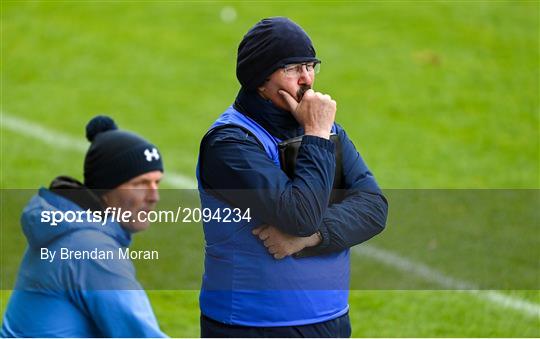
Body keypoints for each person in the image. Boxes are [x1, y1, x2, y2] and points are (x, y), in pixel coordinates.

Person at [197, 17, 389, 337]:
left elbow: (374, 207)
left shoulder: (325, 130)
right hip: (250, 327)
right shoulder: (229, 144)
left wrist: (313, 237)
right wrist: (315, 134)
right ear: (259, 78)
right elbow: (299, 215)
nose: (306, 80)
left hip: (331, 322)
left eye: (310, 65)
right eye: (291, 69)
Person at [1, 116, 167, 337]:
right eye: (140, 184)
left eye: (157, 183)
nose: (154, 196)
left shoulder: (69, 228)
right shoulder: (91, 249)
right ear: (106, 192)